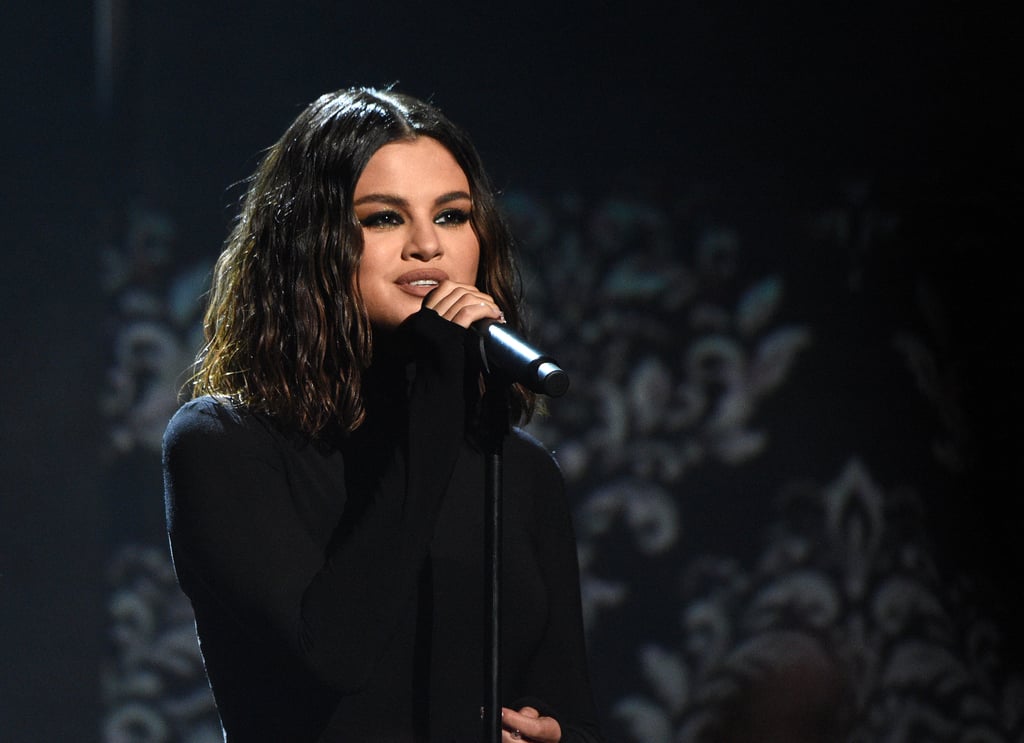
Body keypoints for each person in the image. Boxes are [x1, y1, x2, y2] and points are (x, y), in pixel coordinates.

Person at [162, 86, 604, 743]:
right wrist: (434, 399)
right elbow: (332, 653)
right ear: (311, 241)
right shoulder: (225, 443)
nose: (427, 245)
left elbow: (568, 706)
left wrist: (553, 736)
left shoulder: (519, 471)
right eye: (383, 218)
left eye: (452, 216)